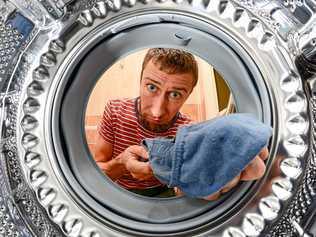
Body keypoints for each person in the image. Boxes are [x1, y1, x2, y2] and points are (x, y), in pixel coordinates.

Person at [94, 48, 269, 199]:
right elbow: (97, 174)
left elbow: (181, 189)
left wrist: (194, 186)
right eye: (152, 87)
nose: (157, 111)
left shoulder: (187, 132)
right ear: (140, 81)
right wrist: (121, 163)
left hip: (164, 195)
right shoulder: (115, 110)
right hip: (119, 191)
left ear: (188, 94)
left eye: (175, 94)